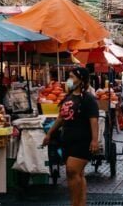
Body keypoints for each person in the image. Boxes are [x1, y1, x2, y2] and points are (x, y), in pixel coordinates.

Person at [42, 67, 99, 206]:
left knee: (72, 170)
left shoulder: (88, 99)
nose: (69, 80)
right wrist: (49, 134)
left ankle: (74, 203)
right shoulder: (68, 97)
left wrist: (94, 140)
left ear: (81, 80)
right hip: (68, 140)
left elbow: (94, 120)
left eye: (72, 77)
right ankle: (81, 203)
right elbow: (61, 118)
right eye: (69, 76)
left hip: (82, 140)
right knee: (78, 174)